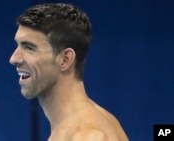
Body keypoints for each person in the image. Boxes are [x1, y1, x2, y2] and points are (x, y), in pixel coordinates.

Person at [9, 3, 128, 141]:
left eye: (29, 48)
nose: (14, 59)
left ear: (65, 59)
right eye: (18, 45)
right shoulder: (102, 120)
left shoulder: (87, 136)